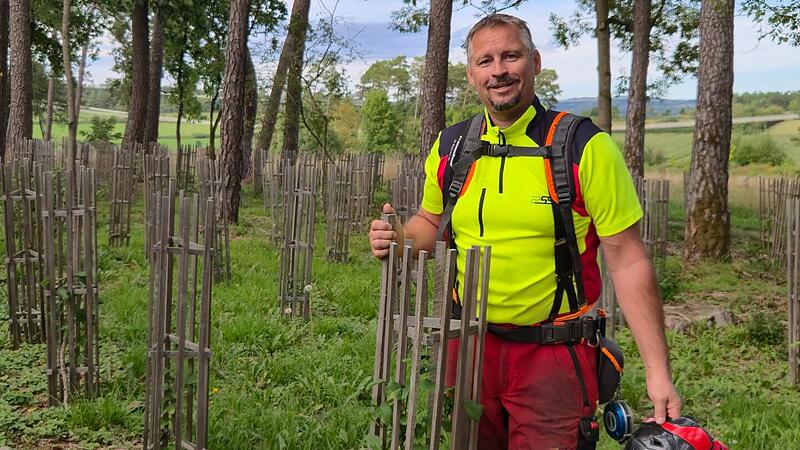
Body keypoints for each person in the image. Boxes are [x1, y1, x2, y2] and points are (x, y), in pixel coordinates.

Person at [368, 13, 681, 450]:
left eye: (511, 56)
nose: (499, 70)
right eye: (486, 60)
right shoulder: (451, 146)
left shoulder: (584, 146)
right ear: (472, 74)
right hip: (469, 347)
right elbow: (430, 223)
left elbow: (627, 259)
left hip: (553, 353)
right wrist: (399, 238)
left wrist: (657, 370)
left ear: (533, 62)